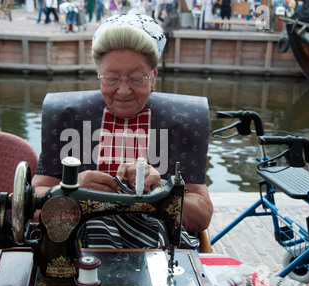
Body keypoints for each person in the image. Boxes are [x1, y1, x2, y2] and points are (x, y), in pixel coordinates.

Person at [32, 14, 213, 249]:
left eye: (136, 79)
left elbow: (201, 218)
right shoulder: (68, 118)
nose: (123, 90)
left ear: (153, 78)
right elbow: (32, 205)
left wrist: (162, 189)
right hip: (79, 250)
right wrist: (73, 189)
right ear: (99, 76)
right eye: (111, 78)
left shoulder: (182, 122)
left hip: (156, 254)